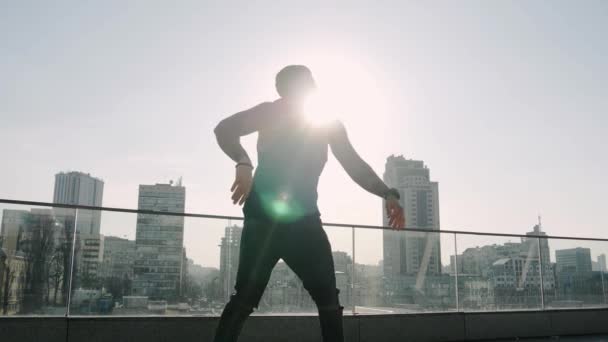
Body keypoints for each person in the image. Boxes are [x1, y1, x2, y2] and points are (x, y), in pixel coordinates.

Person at [213, 65, 405, 342]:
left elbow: (353, 164)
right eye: (303, 85)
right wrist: (242, 160)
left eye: (309, 84)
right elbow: (224, 129)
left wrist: (387, 193)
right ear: (283, 92)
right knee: (245, 297)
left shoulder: (326, 123)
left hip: (305, 223)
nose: (309, 89)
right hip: (263, 220)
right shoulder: (270, 112)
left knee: (327, 299)